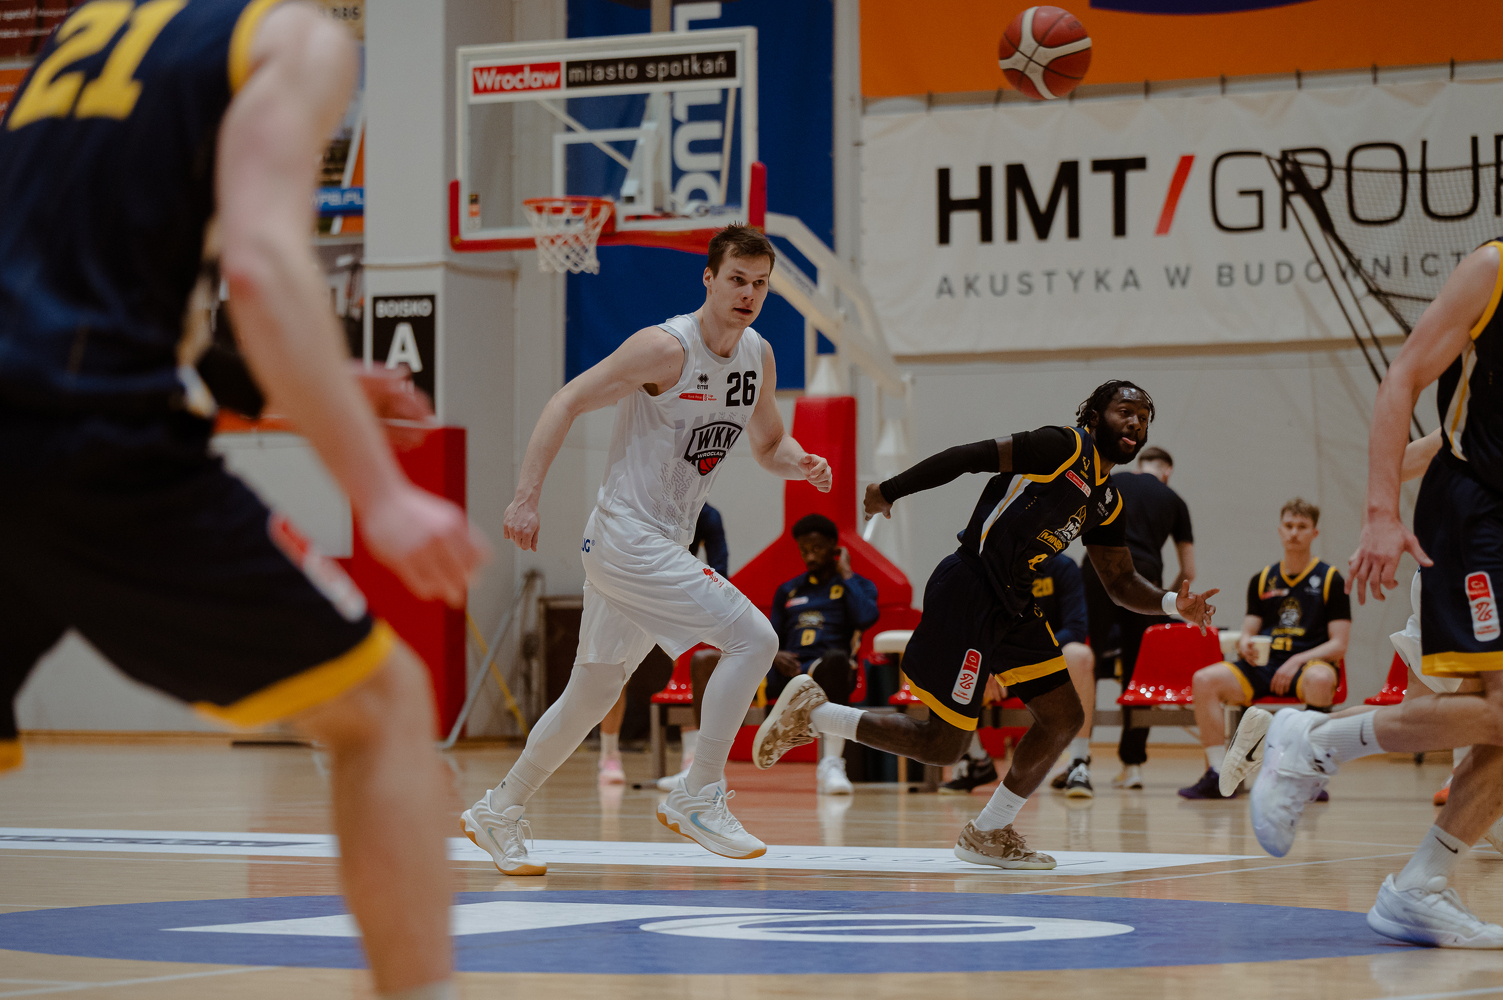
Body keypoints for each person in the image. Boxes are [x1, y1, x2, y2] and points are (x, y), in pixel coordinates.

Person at [0, 5, 491, 1000]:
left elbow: (66, 282)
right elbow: (262, 267)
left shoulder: (79, 36)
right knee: (384, 707)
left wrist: (286, 386)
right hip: (86, 440)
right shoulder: (292, 40)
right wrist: (381, 495)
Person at [464, 226, 831, 872]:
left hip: (657, 543)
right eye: (737, 280)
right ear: (708, 279)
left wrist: (800, 462)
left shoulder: (758, 356)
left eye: (759, 284)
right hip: (627, 536)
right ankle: (698, 792)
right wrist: (525, 497)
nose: (748, 294)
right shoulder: (666, 349)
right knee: (754, 638)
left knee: (592, 693)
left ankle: (498, 808)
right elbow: (566, 400)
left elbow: (770, 445)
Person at [753, 381, 1218, 869]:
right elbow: (968, 456)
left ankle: (989, 830)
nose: (1136, 423)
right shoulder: (1062, 445)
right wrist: (890, 490)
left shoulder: (1107, 500)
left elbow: (1119, 580)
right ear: (1096, 415)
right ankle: (815, 714)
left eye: (1144, 418)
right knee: (942, 745)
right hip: (971, 589)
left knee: (1063, 718)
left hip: (1014, 603)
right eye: (1125, 411)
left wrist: (1172, 603)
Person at [1222, 238, 1503, 948]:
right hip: (1479, 523)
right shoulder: (1492, 269)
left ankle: (1418, 886)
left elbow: (1460, 429)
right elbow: (1402, 378)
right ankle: (1312, 739)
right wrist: (1380, 511)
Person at [662, 513, 878, 795]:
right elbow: (768, 636)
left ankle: (832, 763)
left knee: (837, 661)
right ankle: (704, 768)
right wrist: (776, 657)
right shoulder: (789, 590)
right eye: (804, 550)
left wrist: (846, 573)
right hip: (784, 669)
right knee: (704, 660)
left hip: (825, 671)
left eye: (817, 548)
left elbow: (867, 617)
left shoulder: (857, 585)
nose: (810, 556)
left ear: (834, 548)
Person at [1178, 499, 1349, 799]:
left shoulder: (1331, 579)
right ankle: (1218, 774)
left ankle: (1308, 777)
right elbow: (1249, 630)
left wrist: (1296, 661)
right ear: (1280, 530)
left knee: (1321, 679)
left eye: (1302, 527)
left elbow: (1339, 644)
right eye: (1289, 526)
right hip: (1265, 665)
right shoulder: (1262, 580)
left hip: (1306, 666)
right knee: (1204, 680)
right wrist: (1245, 642)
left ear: (1314, 533)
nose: (1294, 532)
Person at [1081, 445, 1195, 790]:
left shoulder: (1110, 480)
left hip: (1098, 567)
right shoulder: (1174, 500)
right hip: (1143, 574)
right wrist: (1165, 602)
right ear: (1167, 471)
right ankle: (1132, 766)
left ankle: (1077, 760)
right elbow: (1189, 570)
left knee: (1087, 662)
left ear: (1140, 464)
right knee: (1136, 672)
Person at [600, 502, 728, 786]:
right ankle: (609, 754)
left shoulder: (708, 515)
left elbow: (720, 569)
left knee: (687, 667)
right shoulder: (645, 505)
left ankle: (691, 753)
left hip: (676, 591)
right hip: (634, 586)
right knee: (618, 671)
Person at [944, 553, 1092, 796]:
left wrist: (1024, 656)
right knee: (959, 661)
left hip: (1050, 666)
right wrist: (989, 663)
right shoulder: (993, 569)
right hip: (1004, 673)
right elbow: (976, 630)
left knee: (1080, 654)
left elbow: (1075, 628)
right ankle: (977, 762)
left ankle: (1078, 763)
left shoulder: (1063, 568)